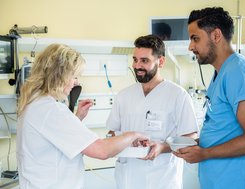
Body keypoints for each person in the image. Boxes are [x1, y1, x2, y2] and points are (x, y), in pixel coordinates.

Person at [16, 44, 149, 189]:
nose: (76, 82)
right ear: (60, 75)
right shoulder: (51, 110)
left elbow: (55, 138)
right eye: (74, 76)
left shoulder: (36, 104)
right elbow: (102, 150)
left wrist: (76, 118)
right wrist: (134, 134)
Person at [174, 7, 245, 189]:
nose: (190, 46)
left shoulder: (239, 72)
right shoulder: (221, 74)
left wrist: (205, 153)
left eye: (195, 38)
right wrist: (195, 144)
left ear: (216, 35)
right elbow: (224, 129)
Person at [106, 34, 198, 189]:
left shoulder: (178, 95)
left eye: (144, 60)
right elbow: (112, 132)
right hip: (128, 178)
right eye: (135, 60)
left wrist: (162, 147)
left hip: (162, 179)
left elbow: (191, 137)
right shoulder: (124, 96)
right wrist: (124, 140)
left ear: (160, 61)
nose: (137, 66)